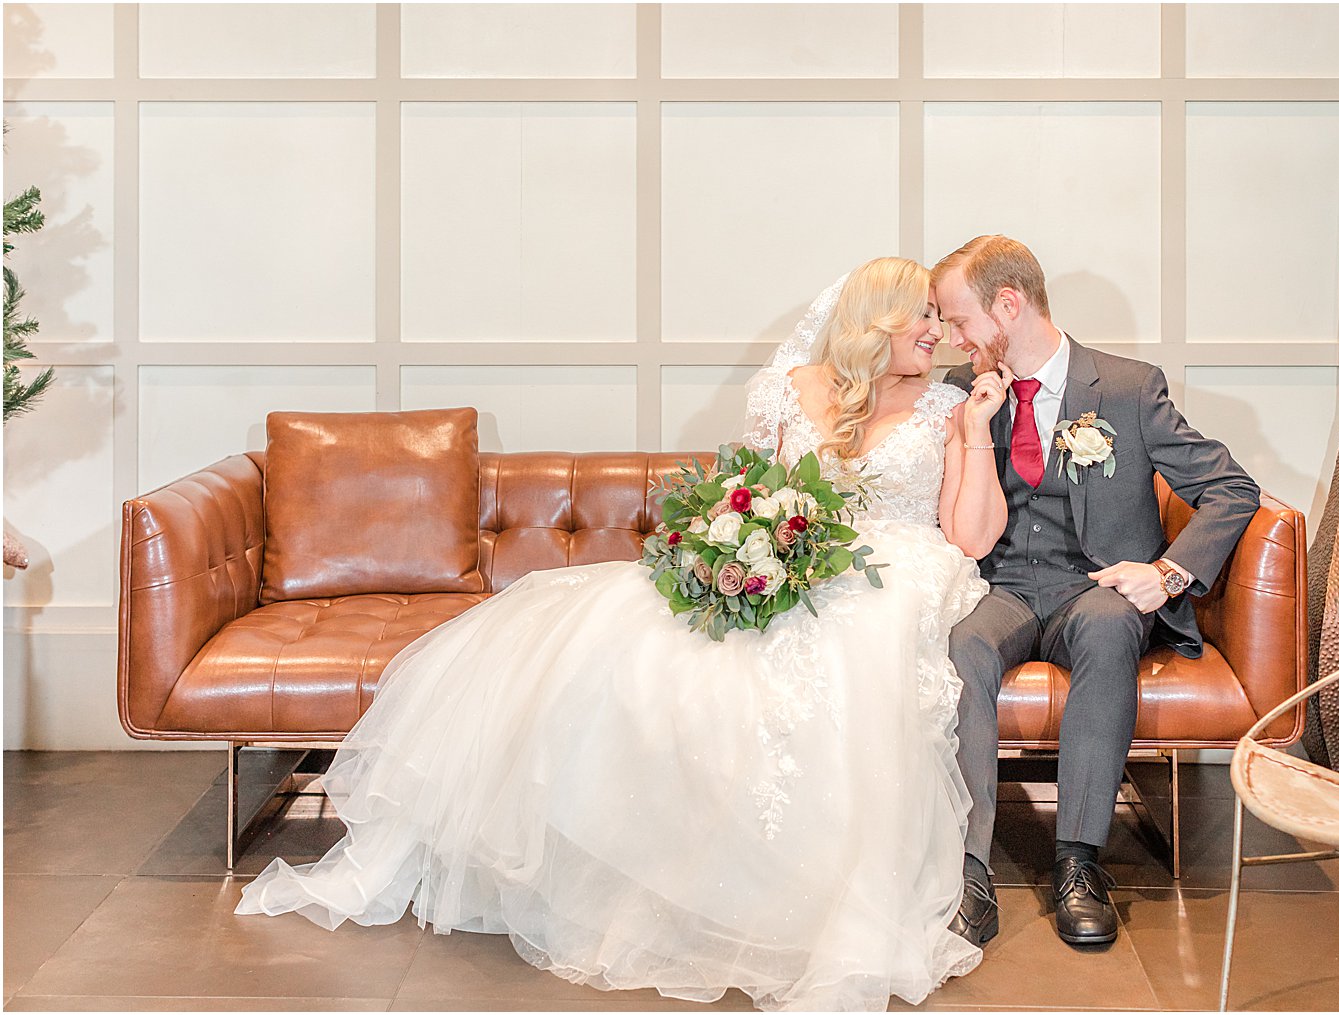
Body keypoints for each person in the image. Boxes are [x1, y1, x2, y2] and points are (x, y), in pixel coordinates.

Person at [236, 257, 1010, 1012]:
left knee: (843, 663)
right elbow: (755, 493)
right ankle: (647, 867)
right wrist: (743, 544)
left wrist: (976, 429)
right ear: (877, 319)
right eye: (925, 314)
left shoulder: (947, 408)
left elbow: (969, 537)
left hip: (892, 573)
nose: (937, 330)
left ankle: (814, 891)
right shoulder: (789, 392)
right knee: (635, 646)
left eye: (943, 317)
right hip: (787, 560)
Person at [933, 235, 1260, 948]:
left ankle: (1079, 863)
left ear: (1009, 305)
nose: (952, 339)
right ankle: (965, 869)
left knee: (1112, 624)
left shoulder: (1126, 387)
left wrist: (1168, 572)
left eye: (961, 321)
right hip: (1003, 588)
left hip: (1095, 588)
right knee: (961, 644)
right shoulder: (962, 392)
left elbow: (1232, 489)